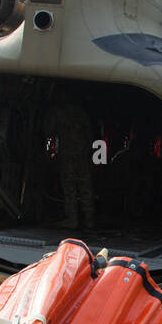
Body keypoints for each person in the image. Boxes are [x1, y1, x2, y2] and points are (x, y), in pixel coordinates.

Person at [44, 99, 95, 230]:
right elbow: (89, 132)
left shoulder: (59, 112)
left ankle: (73, 219)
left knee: (70, 187)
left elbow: (48, 131)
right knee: (85, 187)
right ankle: (89, 219)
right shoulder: (80, 112)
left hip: (68, 154)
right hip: (82, 153)